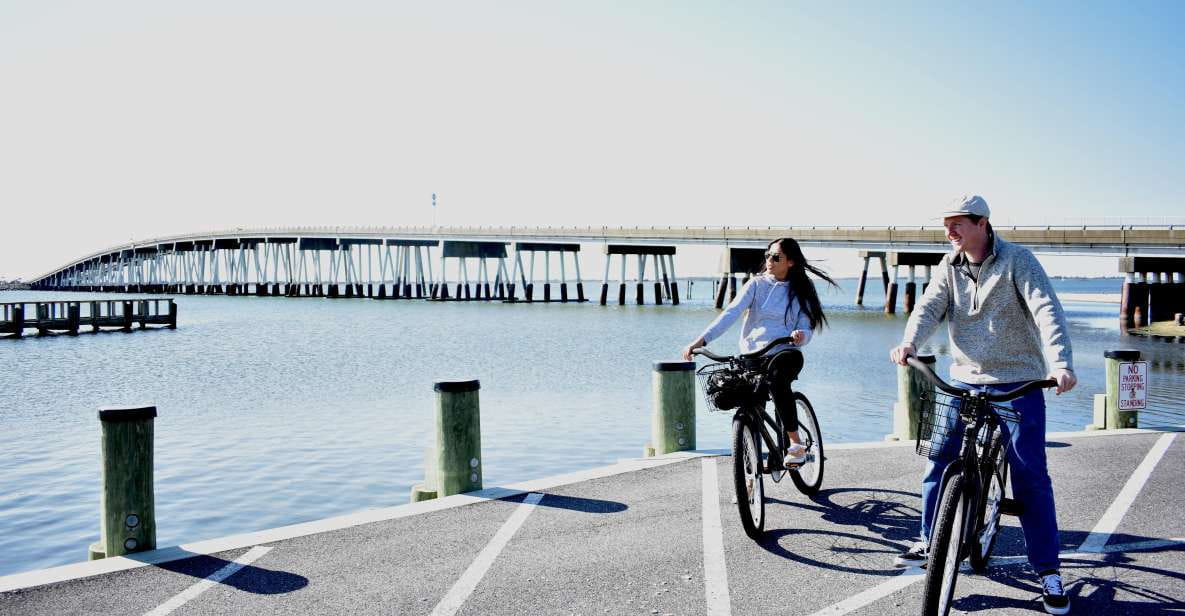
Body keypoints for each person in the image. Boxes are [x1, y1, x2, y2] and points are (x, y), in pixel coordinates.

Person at [888, 195, 1076, 615]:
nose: (950, 232)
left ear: (983, 223)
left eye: (957, 224)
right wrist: (908, 342)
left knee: (1030, 478)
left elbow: (1047, 310)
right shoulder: (948, 265)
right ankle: (928, 539)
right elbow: (929, 307)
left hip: (1019, 380)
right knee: (939, 458)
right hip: (965, 377)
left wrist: (1060, 363)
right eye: (946, 225)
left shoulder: (1018, 260)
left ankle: (1048, 572)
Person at [683, 237, 837, 466]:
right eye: (767, 256)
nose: (769, 261)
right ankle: (748, 481)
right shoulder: (756, 284)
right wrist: (700, 341)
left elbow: (806, 324)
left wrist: (801, 335)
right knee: (749, 407)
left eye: (776, 257)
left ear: (791, 262)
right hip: (753, 356)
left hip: (785, 352)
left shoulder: (800, 289)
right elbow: (730, 314)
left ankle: (796, 444)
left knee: (777, 381)